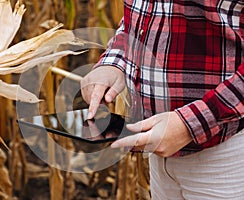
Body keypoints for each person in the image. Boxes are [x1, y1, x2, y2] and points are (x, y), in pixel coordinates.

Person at [80, 0, 244, 199]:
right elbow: (145, 14)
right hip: (159, 149)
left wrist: (190, 124)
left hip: (228, 153)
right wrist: (115, 61)